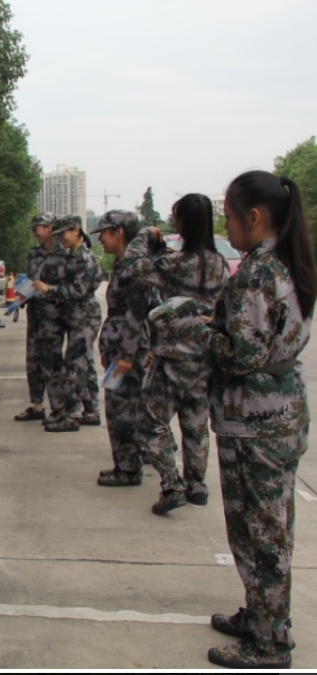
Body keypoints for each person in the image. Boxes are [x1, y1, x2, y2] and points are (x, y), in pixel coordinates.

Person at [205, 171, 316, 669]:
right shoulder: (289, 262)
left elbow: (241, 354)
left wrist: (199, 334)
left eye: (229, 218)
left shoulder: (257, 272)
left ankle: (269, 642)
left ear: (253, 217)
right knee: (271, 526)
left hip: (254, 421)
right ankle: (260, 616)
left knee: (259, 534)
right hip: (281, 414)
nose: (226, 228)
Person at [126, 194, 230, 515]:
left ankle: (172, 484)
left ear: (183, 223)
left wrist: (144, 235)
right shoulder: (221, 264)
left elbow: (132, 267)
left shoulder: (174, 264)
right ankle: (197, 485)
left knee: (149, 422)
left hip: (174, 355)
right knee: (196, 422)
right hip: (206, 354)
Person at [90, 210, 154, 485]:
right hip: (119, 349)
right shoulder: (122, 264)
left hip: (128, 352)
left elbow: (137, 314)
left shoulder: (134, 266)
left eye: (104, 233)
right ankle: (125, 464)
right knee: (119, 409)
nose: (101, 240)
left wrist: (128, 354)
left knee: (124, 411)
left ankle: (129, 469)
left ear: (118, 232)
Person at [32, 215, 103, 431]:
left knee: (75, 367)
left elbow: (77, 290)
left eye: (63, 233)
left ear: (76, 230)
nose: (60, 238)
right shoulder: (74, 256)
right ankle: (91, 411)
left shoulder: (84, 258)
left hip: (84, 316)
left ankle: (72, 416)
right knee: (85, 364)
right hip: (77, 316)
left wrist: (49, 289)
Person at [14, 212, 59, 423]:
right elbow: (30, 281)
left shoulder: (63, 254)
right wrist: (21, 296)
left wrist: (48, 289)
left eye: (37, 228)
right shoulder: (33, 254)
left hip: (54, 317)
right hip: (35, 314)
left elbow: (68, 285)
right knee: (33, 361)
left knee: (52, 363)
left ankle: (59, 409)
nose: (35, 232)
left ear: (50, 227)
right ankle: (37, 405)